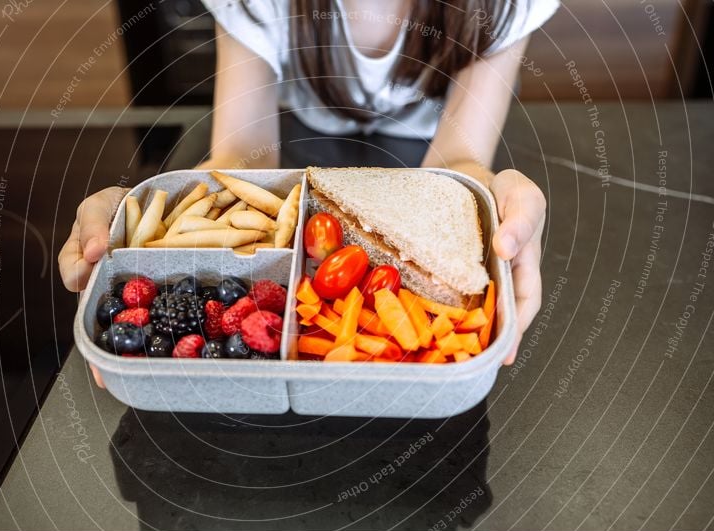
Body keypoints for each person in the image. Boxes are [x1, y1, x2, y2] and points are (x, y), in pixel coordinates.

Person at [59, 0, 557, 385]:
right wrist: (137, 212)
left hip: (425, 139)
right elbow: (240, 155)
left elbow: (456, 165)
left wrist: (489, 196)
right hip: (297, 126)